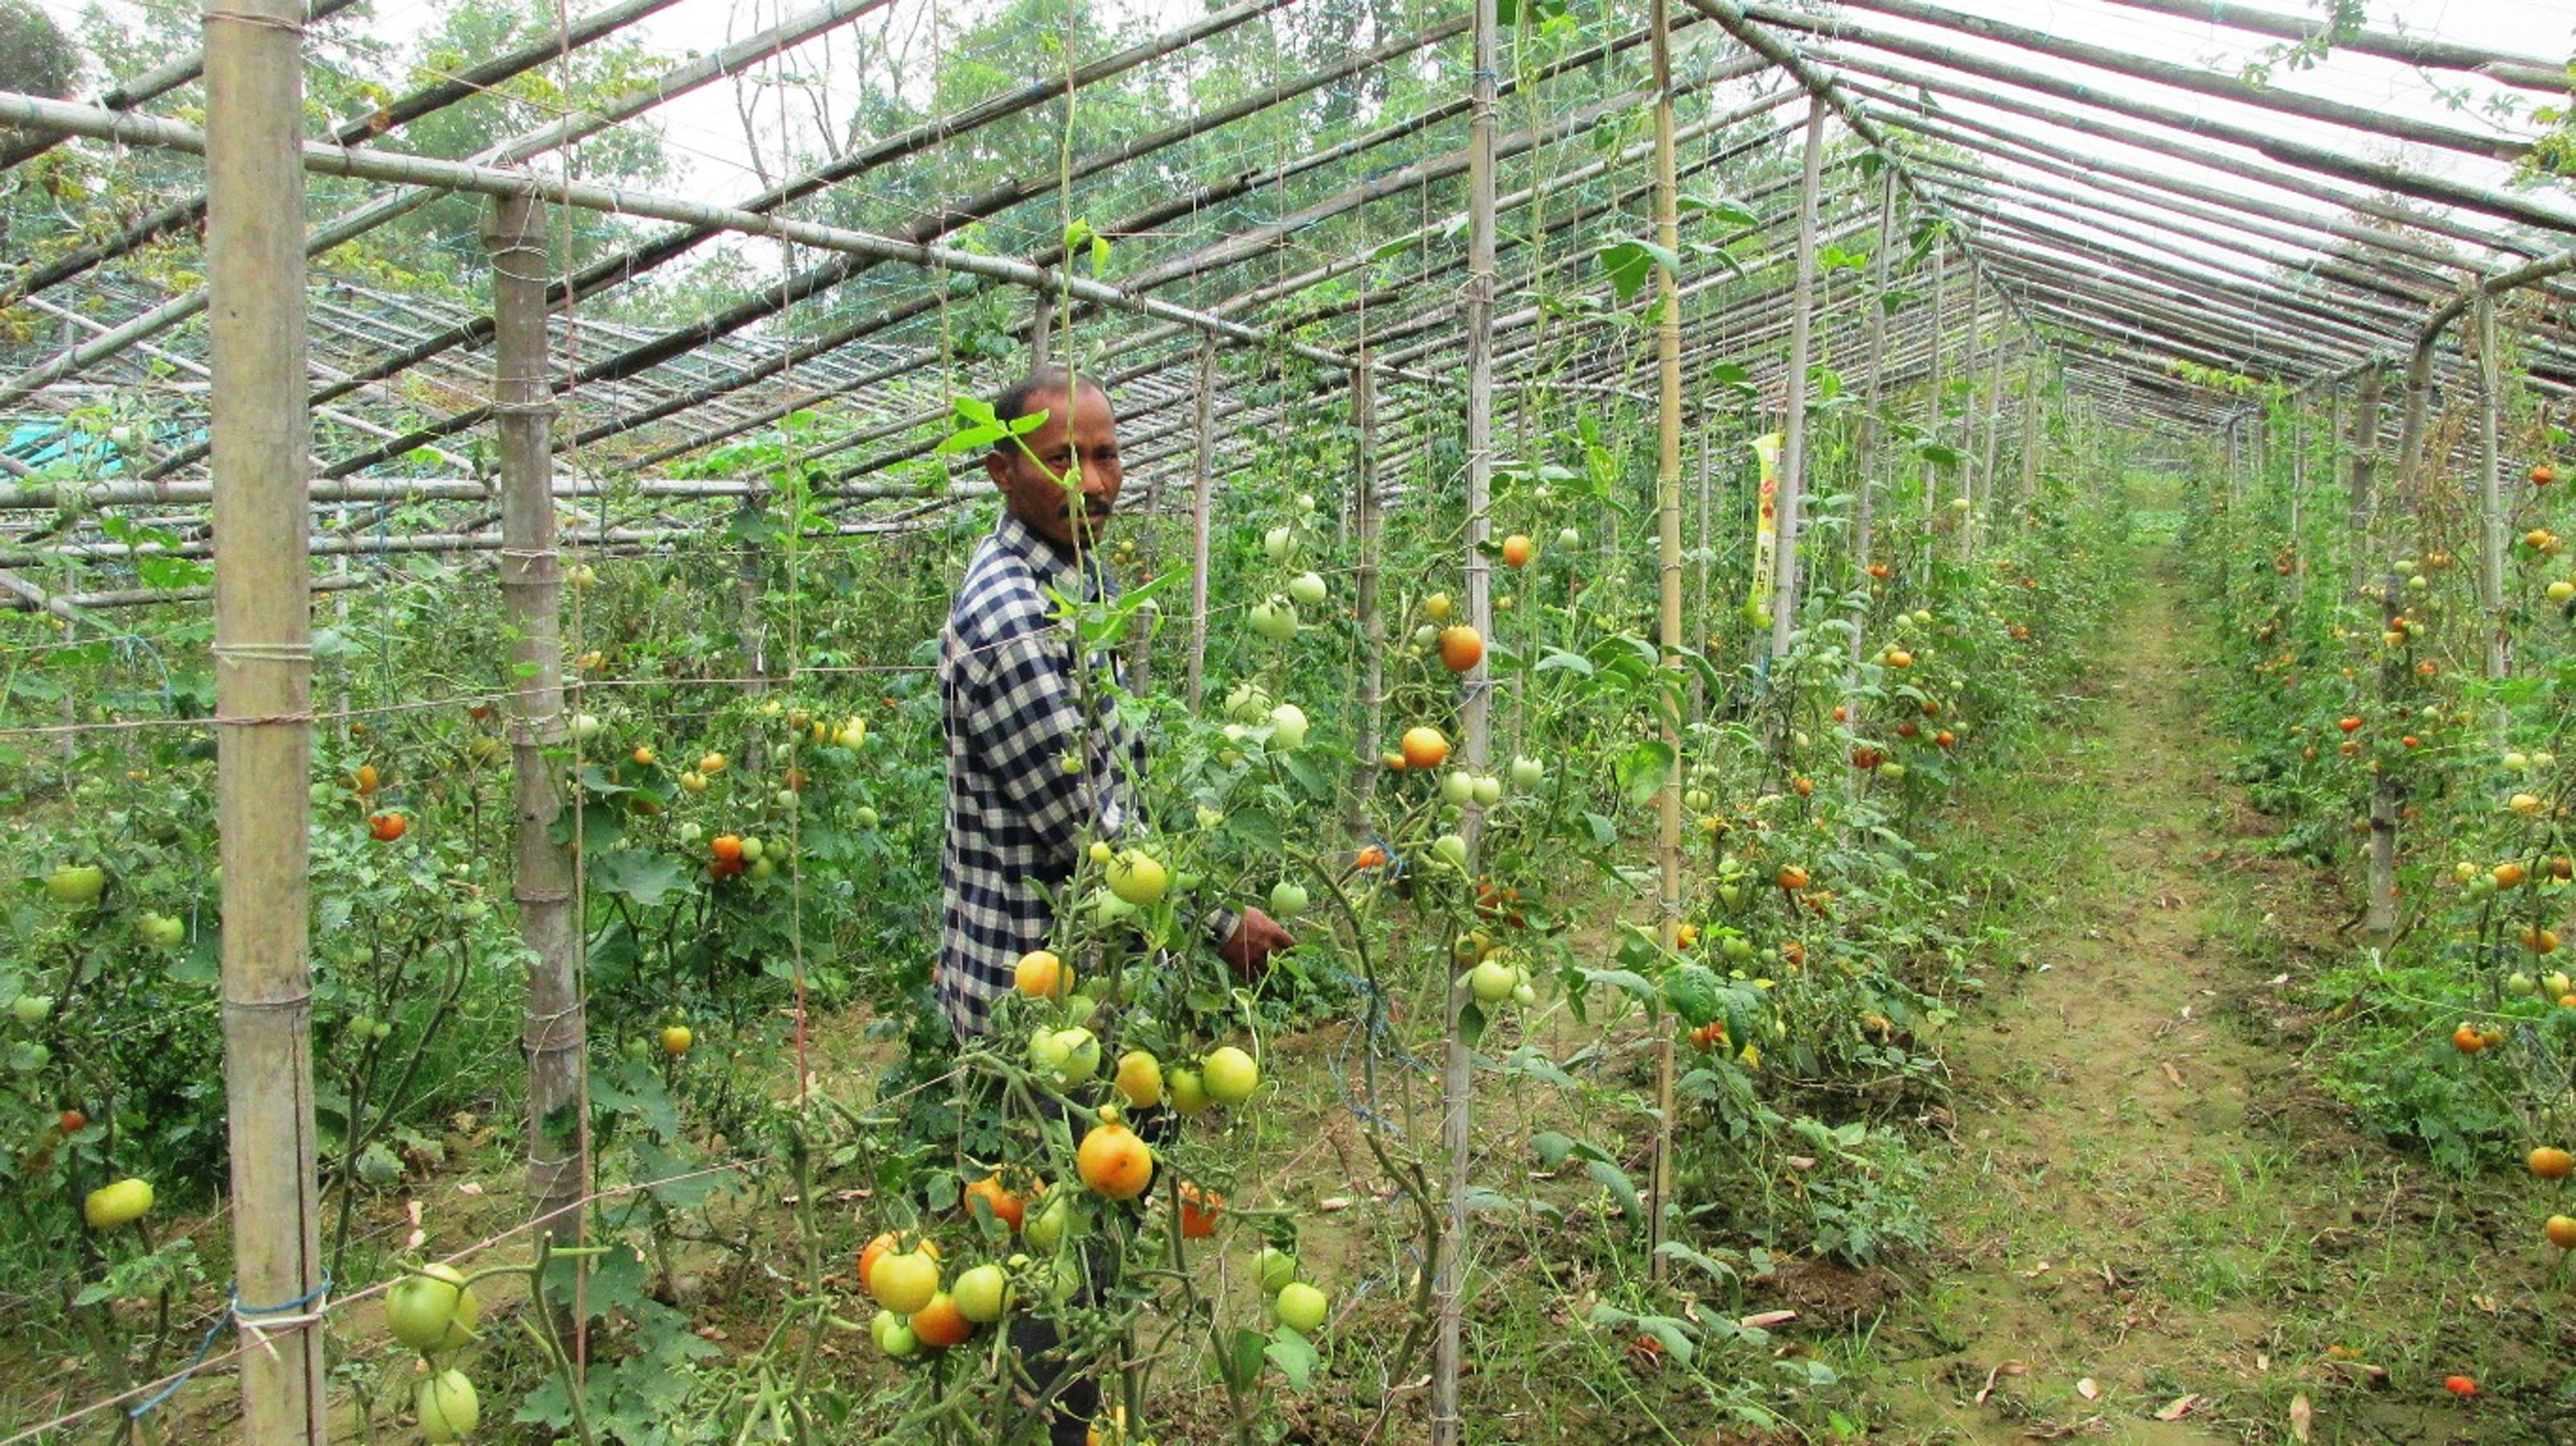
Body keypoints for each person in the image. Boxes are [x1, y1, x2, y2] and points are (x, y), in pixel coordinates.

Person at [935, 364, 1291, 1440]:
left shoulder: (1068, 581)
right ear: (1001, 469)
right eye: (1063, 458)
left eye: (1107, 453)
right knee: (1057, 1268)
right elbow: (1091, 837)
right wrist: (1221, 924)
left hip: (1097, 1000)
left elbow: (1124, 784)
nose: (1095, 480)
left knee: (1088, 1244)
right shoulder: (1010, 618)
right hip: (1034, 1006)